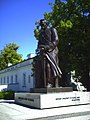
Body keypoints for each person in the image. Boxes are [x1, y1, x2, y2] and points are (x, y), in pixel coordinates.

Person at [36, 19, 62, 88]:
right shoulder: (41, 34)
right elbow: (39, 44)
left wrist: (47, 47)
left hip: (52, 51)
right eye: (41, 24)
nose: (41, 25)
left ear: (46, 23)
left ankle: (50, 83)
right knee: (39, 66)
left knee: (49, 66)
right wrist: (41, 47)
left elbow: (56, 40)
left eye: (43, 23)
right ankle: (41, 83)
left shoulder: (52, 30)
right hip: (43, 52)